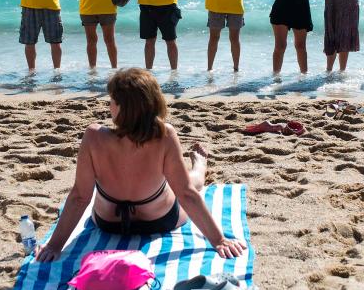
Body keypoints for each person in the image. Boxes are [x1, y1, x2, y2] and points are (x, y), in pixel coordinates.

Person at [35, 68, 246, 262]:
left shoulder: (93, 136)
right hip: (161, 220)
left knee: (184, 183)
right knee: (189, 184)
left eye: (112, 101)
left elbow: (81, 197)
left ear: (123, 108)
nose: (109, 105)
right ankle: (199, 167)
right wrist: (219, 240)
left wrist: (54, 246)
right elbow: (187, 194)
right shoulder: (164, 135)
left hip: (109, 223)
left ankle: (199, 167)